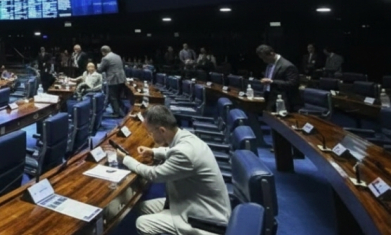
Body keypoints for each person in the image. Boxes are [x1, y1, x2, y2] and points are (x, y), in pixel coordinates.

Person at [116, 105, 231, 235]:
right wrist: (153, 152)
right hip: (189, 201)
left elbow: (154, 174)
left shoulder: (185, 153)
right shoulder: (185, 136)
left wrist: (126, 159)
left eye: (151, 133)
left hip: (204, 218)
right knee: (142, 207)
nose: (150, 136)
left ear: (162, 130)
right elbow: (172, 151)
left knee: (143, 224)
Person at [256, 44, 301, 112]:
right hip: (270, 99)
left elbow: (293, 84)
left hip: (283, 102)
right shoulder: (269, 64)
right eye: (262, 58)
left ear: (272, 53)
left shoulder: (287, 66)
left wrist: (271, 82)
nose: (264, 60)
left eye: (265, 58)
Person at [97, 45, 127, 117]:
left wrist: (98, 66)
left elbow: (99, 70)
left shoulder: (105, 58)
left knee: (113, 97)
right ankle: (120, 111)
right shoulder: (117, 56)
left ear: (103, 52)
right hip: (122, 78)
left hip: (113, 79)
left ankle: (116, 113)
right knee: (118, 96)